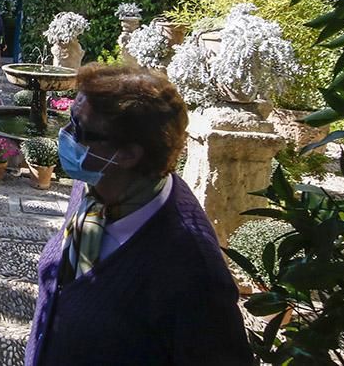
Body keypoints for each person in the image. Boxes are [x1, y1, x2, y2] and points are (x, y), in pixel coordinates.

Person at [26, 63, 252, 366]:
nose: (65, 135)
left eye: (80, 129)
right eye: (70, 120)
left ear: (129, 154)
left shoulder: (192, 268)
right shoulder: (94, 183)